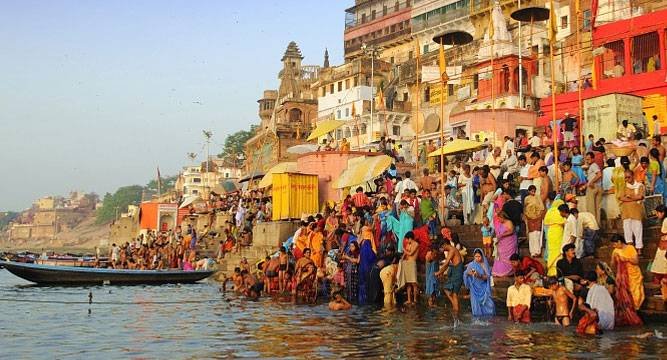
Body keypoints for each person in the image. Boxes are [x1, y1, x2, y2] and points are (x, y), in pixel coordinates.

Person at [610, 235, 645, 324]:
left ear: (619, 241)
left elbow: (636, 261)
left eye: (615, 243)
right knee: (624, 295)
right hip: (622, 277)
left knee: (636, 294)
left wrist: (626, 259)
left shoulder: (630, 248)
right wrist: (615, 259)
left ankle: (635, 312)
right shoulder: (615, 251)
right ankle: (628, 313)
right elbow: (612, 265)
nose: (614, 246)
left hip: (633, 275)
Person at [437, 239, 464, 324]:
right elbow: (447, 265)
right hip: (455, 272)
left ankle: (456, 311)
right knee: (446, 288)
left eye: (442, 247)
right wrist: (441, 272)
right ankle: (455, 307)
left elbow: (446, 263)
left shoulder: (452, 250)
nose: (442, 249)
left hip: (457, 272)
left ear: (445, 244)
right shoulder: (450, 251)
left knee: (454, 293)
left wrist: (439, 272)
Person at [464, 248, 496, 320]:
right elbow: (466, 273)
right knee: (476, 307)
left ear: (482, 256)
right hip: (474, 288)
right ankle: (477, 320)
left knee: (490, 305)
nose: (477, 258)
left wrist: (479, 275)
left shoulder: (484, 265)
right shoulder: (471, 264)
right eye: (476, 257)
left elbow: (487, 277)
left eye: (479, 256)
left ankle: (490, 320)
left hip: (483, 288)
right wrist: (469, 273)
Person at [619, 169, 645, 254]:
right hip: (626, 212)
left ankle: (639, 249)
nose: (627, 179)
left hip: (636, 212)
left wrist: (629, 197)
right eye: (625, 178)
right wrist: (633, 198)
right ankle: (631, 249)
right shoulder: (623, 186)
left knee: (638, 230)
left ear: (633, 176)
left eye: (628, 177)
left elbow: (640, 197)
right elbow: (621, 198)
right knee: (627, 231)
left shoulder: (639, 185)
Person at [544, 199, 566, 276]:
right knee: (558, 252)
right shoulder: (559, 212)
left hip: (550, 232)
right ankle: (557, 272)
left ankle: (551, 271)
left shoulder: (549, 211)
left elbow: (545, 222)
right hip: (559, 232)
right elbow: (564, 221)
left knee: (551, 251)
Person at [492, 211, 517, 277]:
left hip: (509, 242)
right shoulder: (501, 224)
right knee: (501, 256)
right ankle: (501, 271)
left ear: (503, 217)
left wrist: (502, 235)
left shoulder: (509, 222)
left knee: (508, 256)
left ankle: (509, 271)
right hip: (502, 242)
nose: (499, 220)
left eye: (499, 218)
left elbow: (511, 231)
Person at [397, 232, 419, 305]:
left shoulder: (416, 244)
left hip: (412, 264)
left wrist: (404, 249)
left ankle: (415, 300)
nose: (406, 241)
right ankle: (409, 300)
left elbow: (410, 253)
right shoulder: (407, 245)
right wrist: (401, 259)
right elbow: (405, 254)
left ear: (410, 238)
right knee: (408, 283)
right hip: (406, 264)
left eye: (406, 239)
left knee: (414, 283)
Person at [524, 185, 545, 257]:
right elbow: (525, 208)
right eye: (531, 191)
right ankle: (532, 252)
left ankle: (538, 251)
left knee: (537, 234)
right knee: (531, 235)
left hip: (538, 218)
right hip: (530, 218)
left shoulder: (538, 197)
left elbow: (542, 208)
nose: (533, 193)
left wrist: (539, 216)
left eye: (534, 191)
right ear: (529, 191)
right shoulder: (526, 198)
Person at [653, 205, 667, 303]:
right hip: (663, 244)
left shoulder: (666, 220)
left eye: (658, 213)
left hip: (665, 245)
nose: (657, 215)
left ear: (662, 212)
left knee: (663, 266)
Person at [584, 152, 603, 224]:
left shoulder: (593, 165)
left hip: (593, 187)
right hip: (598, 186)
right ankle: (597, 226)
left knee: (591, 208)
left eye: (588, 159)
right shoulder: (594, 166)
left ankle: (593, 226)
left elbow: (599, 174)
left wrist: (591, 182)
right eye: (586, 159)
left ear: (593, 159)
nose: (587, 161)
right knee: (597, 208)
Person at [425, 243, 441, 307]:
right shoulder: (428, 255)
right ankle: (430, 302)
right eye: (434, 253)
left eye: (436, 253)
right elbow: (428, 261)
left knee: (435, 287)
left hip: (435, 272)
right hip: (430, 274)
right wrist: (433, 257)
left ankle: (434, 301)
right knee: (430, 285)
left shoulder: (437, 254)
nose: (435, 254)